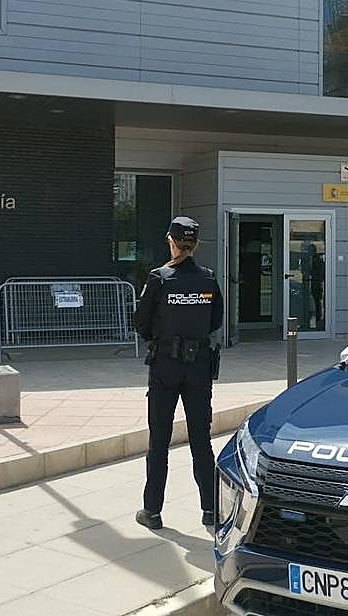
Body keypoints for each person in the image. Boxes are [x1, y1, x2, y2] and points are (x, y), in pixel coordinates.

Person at [134, 216, 224, 531]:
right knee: (201, 440)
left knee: (159, 441)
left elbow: (140, 321)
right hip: (198, 366)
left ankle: (152, 511)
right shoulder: (208, 280)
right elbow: (216, 321)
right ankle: (211, 509)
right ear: (195, 244)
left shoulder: (159, 279)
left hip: (165, 367)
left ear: (170, 242)